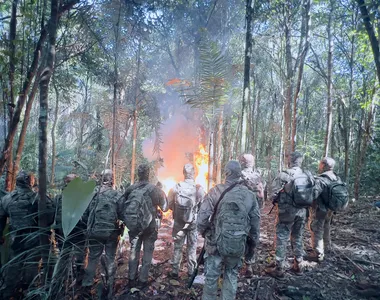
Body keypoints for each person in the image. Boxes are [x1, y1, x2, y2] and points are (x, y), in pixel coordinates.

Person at [197, 161, 260, 300]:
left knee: (212, 276)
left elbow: (201, 219)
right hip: (237, 243)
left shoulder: (215, 191)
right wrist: (252, 245)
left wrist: (205, 232)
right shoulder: (249, 195)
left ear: (227, 173)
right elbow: (255, 224)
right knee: (231, 275)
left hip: (215, 243)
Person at [0, 171, 55, 299]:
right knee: (32, 264)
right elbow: (51, 215)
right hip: (35, 237)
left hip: (16, 238)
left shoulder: (7, 199)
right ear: (30, 181)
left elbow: (1, 219)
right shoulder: (39, 197)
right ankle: (30, 291)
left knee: (14, 263)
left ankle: (8, 291)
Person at [266, 152, 311, 278]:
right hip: (302, 211)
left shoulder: (283, 175)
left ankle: (279, 267)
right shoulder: (307, 175)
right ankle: (298, 264)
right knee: (298, 236)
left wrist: (278, 197)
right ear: (300, 161)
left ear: (289, 161)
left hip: (286, 212)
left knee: (282, 236)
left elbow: (272, 195)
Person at [123, 164, 168, 288]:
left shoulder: (130, 189)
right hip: (149, 227)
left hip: (134, 226)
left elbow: (123, 205)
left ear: (138, 174)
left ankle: (131, 279)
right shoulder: (155, 189)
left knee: (134, 251)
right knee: (148, 252)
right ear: (148, 174)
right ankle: (143, 280)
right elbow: (165, 208)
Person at [83, 169, 124, 296]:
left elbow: (85, 215)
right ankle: (108, 285)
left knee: (93, 258)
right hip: (111, 233)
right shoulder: (117, 195)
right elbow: (122, 214)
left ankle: (86, 285)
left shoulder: (92, 194)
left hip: (95, 232)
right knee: (110, 258)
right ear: (112, 179)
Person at [168, 163, 205, 278]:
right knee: (192, 247)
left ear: (183, 173)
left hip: (179, 223)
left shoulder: (176, 187)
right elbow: (203, 207)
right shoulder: (199, 189)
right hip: (193, 223)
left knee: (178, 246)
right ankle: (191, 271)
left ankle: (175, 271)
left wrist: (177, 211)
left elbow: (169, 205)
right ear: (194, 173)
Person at [309, 157, 346, 262]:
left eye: (320, 164)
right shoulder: (337, 178)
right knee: (326, 226)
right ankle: (327, 247)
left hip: (320, 209)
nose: (319, 166)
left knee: (317, 229)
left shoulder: (321, 179)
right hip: (331, 209)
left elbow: (314, 194)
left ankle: (318, 254)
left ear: (323, 165)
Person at [54, 174, 86, 285]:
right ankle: (79, 281)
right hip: (78, 232)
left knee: (63, 256)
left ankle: (59, 282)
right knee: (80, 257)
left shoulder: (58, 198)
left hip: (63, 232)